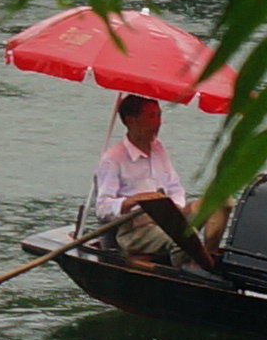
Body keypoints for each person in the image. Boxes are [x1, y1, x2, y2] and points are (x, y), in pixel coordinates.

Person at [89, 92, 213, 267]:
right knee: (182, 240)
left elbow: (175, 187)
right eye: (151, 116)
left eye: (159, 115)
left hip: (169, 218)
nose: (158, 123)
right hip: (136, 230)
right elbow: (102, 208)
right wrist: (131, 201)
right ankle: (185, 278)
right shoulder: (113, 159)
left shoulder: (158, 148)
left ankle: (208, 262)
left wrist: (176, 209)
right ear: (132, 121)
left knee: (217, 205)